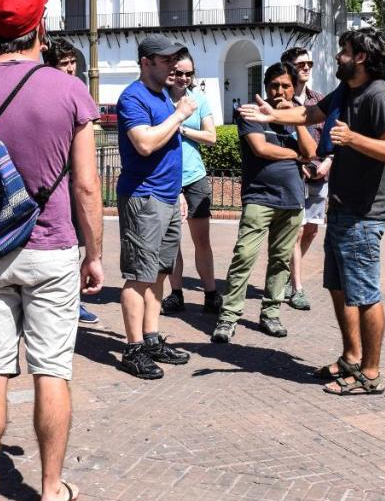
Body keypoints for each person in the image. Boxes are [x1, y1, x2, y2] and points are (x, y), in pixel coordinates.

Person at [0, 0, 104, 501]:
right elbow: (87, 186)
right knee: (52, 369)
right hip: (50, 245)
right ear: (41, 25)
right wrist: (94, 254)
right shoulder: (66, 90)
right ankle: (50, 488)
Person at [239, 27, 385, 396]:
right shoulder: (347, 90)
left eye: (344, 51)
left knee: (365, 294)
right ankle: (350, 357)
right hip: (342, 208)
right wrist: (270, 117)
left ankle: (371, 373)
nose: (338, 57)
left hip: (365, 212)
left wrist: (353, 139)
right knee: (339, 288)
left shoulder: (379, 95)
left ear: (360, 57)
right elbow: (311, 112)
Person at [210, 62, 315, 344]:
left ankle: (271, 313)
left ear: (295, 88)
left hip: (291, 199)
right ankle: (228, 317)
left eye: (285, 86)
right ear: (266, 87)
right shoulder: (251, 112)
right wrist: (295, 157)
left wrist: (293, 120)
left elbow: (312, 151)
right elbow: (261, 148)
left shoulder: (299, 116)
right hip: (259, 197)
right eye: (274, 85)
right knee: (244, 255)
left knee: (280, 260)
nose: (279, 91)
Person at [115, 35, 197, 380]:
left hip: (165, 195)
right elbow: (145, 143)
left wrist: (177, 190)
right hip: (143, 197)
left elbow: (169, 147)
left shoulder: (162, 95)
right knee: (138, 276)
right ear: (146, 62)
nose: (173, 67)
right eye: (166, 62)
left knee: (160, 272)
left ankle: (151, 338)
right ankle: (133, 349)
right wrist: (179, 115)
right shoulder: (132, 97)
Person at [42, 38, 101, 326]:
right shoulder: (51, 92)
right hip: (54, 184)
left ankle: (74, 301)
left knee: (75, 243)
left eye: (72, 63)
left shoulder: (77, 89)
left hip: (72, 181)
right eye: (62, 64)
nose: (69, 69)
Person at [160, 50, 221, 315]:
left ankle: (210, 292)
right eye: (178, 73)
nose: (183, 78)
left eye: (188, 73)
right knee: (171, 240)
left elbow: (212, 136)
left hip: (194, 177)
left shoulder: (198, 99)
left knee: (201, 240)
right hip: (167, 177)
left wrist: (182, 127)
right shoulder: (159, 98)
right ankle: (176, 293)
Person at [281, 46, 329, 312]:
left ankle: (289, 275)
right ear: (289, 65)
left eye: (309, 63)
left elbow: (332, 139)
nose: (307, 68)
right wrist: (296, 164)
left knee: (311, 230)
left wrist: (328, 163)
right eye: (301, 64)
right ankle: (297, 287)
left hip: (319, 175)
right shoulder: (283, 102)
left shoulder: (319, 100)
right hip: (295, 174)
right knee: (296, 231)